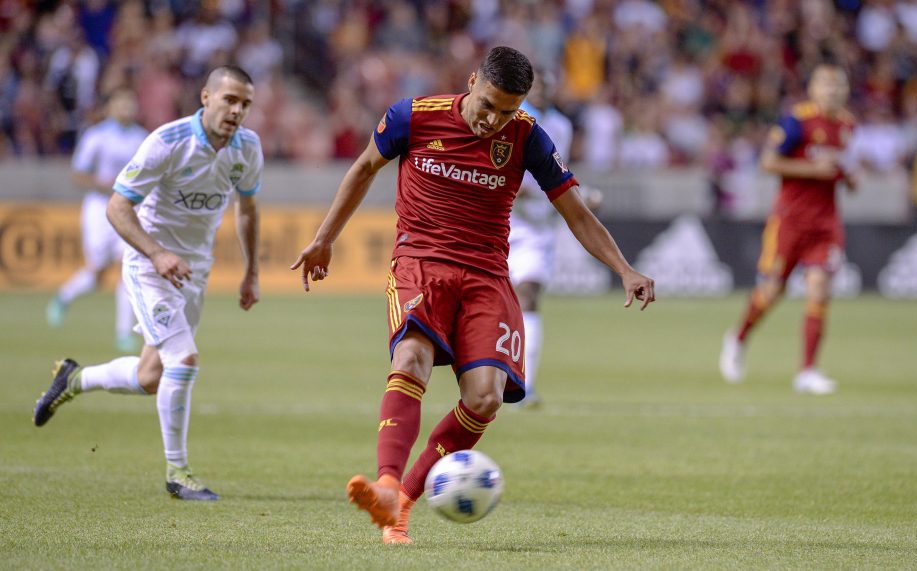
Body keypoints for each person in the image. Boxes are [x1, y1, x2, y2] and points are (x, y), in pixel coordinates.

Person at [290, 46, 655, 544]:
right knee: (411, 359)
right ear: (471, 82)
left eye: (508, 110)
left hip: (486, 275)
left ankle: (404, 504)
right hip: (421, 263)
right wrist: (324, 238)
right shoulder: (412, 116)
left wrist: (624, 268)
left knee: (484, 399)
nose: (494, 119)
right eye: (488, 104)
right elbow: (362, 169)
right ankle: (387, 483)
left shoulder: (527, 136)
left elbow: (575, 213)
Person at [33, 65, 263, 501]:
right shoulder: (166, 142)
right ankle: (178, 473)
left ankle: (73, 379)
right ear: (205, 97)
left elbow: (247, 209)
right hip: (148, 263)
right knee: (185, 359)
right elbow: (118, 207)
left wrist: (251, 272)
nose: (237, 111)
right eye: (230, 100)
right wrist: (157, 253)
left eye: (245, 104)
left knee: (150, 376)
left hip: (194, 269)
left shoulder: (248, 148)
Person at [720, 64, 855, 395]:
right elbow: (768, 162)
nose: (832, 92)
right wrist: (812, 168)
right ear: (813, 89)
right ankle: (737, 339)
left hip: (825, 223)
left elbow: (837, 168)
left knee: (819, 289)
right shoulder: (796, 121)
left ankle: (807, 371)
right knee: (771, 292)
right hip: (789, 221)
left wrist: (848, 178)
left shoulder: (848, 125)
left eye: (838, 86)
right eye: (826, 85)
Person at [47, 88, 148, 353]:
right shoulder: (97, 135)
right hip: (99, 209)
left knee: (128, 267)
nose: (126, 106)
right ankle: (64, 296)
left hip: (129, 210)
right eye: (121, 102)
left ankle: (123, 333)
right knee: (97, 272)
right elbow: (78, 174)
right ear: (110, 107)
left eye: (130, 101)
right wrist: (110, 186)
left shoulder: (142, 137)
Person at [507, 70, 574, 408]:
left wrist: (574, 194)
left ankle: (525, 386)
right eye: (541, 84)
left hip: (536, 225)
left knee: (528, 295)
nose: (547, 89)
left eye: (551, 83)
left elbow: (560, 169)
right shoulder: (510, 117)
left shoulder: (562, 126)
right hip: (501, 218)